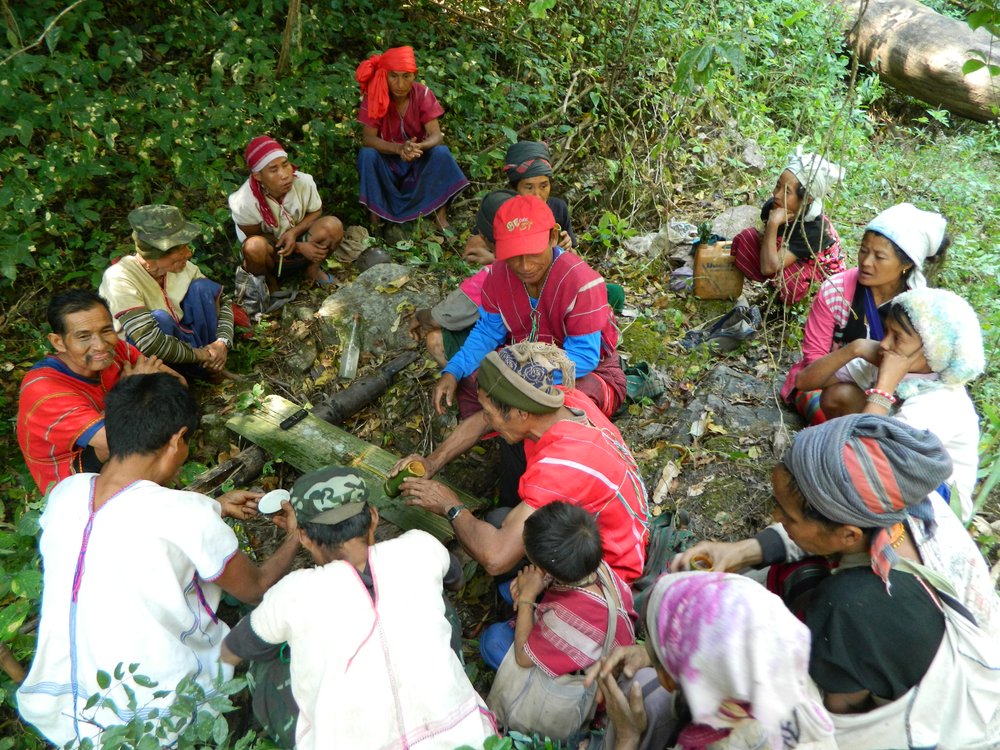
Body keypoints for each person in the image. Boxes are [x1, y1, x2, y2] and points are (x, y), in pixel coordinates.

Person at [673, 415, 1000, 748]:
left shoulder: (850, 606)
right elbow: (825, 536)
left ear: (849, 534)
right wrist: (743, 551)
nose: (775, 518)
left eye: (788, 515)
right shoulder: (906, 505)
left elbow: (832, 715)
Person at [17, 374, 301, 747]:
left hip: (56, 710)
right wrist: (298, 535)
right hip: (157, 720)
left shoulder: (67, 493)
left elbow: (129, 514)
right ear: (176, 439)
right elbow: (257, 587)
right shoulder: (186, 515)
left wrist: (212, 505)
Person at [221, 466, 496, 750]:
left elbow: (234, 649)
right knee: (440, 603)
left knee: (262, 663)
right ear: (373, 517)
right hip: (468, 737)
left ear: (303, 537)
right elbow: (456, 579)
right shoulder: (421, 547)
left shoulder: (292, 594)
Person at [398, 342, 648, 582]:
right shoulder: (560, 399)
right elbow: (483, 421)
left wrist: (449, 505)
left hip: (608, 568)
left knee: (499, 533)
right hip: (616, 533)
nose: (485, 417)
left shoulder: (561, 466)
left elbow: (496, 558)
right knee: (501, 517)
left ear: (521, 413)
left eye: (489, 411)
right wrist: (432, 462)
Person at [794, 287, 983, 520]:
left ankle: (845, 491)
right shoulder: (889, 359)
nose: (884, 343)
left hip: (937, 498)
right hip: (888, 464)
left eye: (897, 337)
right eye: (886, 331)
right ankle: (841, 475)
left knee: (851, 471)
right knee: (839, 395)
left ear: (934, 350)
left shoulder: (942, 401)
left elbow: (871, 455)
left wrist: (884, 387)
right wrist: (855, 349)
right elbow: (804, 381)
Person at [592, 572, 836, 750]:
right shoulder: (783, 669)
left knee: (645, 692)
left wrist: (627, 737)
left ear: (667, 679)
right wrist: (653, 655)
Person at [436, 194, 626, 418]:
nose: (525, 266)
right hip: (523, 361)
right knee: (472, 382)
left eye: (534, 253)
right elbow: (487, 333)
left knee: (564, 405)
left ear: (553, 237)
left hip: (584, 372)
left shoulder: (581, 281)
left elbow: (583, 357)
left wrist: (522, 376)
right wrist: (453, 371)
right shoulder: (498, 277)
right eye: (514, 256)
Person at [781, 202, 949, 424]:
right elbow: (813, 368)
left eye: (879, 257)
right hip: (832, 388)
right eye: (863, 251)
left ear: (906, 264)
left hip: (894, 398)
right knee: (838, 399)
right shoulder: (836, 291)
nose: (866, 262)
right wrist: (859, 354)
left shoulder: (919, 310)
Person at [16, 289, 183, 494]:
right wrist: (134, 385)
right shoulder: (44, 389)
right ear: (58, 342)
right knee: (135, 444)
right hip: (69, 477)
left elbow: (179, 384)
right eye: (84, 336)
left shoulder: (115, 349)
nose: (100, 345)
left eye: (106, 330)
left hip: (113, 438)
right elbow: (125, 443)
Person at [482, 502, 637, 721]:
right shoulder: (596, 564)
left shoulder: (567, 619)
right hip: (596, 627)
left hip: (589, 686)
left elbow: (523, 658)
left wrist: (527, 596)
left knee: (493, 641)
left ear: (547, 568)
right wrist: (539, 579)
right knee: (508, 589)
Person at [99, 204, 235, 377]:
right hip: (155, 363)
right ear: (156, 256)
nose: (188, 254)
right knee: (159, 319)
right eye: (180, 249)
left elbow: (224, 302)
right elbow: (149, 342)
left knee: (203, 289)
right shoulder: (119, 278)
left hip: (195, 348)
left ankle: (210, 368)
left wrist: (221, 343)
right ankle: (179, 377)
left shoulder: (184, 268)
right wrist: (202, 354)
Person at [355, 45, 469, 230]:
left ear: (414, 75)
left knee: (441, 152)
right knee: (367, 155)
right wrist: (399, 149)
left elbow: (436, 135)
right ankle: (374, 221)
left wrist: (418, 148)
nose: (400, 84)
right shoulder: (375, 96)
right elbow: (368, 139)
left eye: (406, 76)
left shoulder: (422, 94)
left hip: (417, 159)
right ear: (385, 75)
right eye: (394, 76)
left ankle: (440, 218)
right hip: (388, 163)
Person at [729, 147, 845, 306]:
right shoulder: (773, 206)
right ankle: (773, 290)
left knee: (789, 279)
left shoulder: (815, 229)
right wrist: (770, 230)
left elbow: (770, 267)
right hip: (786, 260)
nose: (777, 195)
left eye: (786, 192)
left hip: (819, 279)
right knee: (746, 239)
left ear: (807, 199)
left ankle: (793, 306)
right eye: (778, 186)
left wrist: (773, 224)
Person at [229, 135, 344, 290]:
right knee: (253, 247)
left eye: (285, 164)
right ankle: (270, 283)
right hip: (270, 255)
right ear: (258, 176)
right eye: (273, 169)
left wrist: (294, 233)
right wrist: (298, 247)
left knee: (333, 226)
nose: (284, 174)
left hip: (300, 241)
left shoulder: (304, 183)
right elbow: (253, 237)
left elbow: (316, 211)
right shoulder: (243, 201)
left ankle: (312, 271)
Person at [463, 141, 576, 267]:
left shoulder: (558, 209)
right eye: (529, 188)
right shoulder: (500, 211)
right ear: (515, 189)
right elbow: (472, 252)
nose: (538, 195)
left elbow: (578, 261)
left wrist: (568, 250)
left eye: (544, 186)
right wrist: (498, 262)